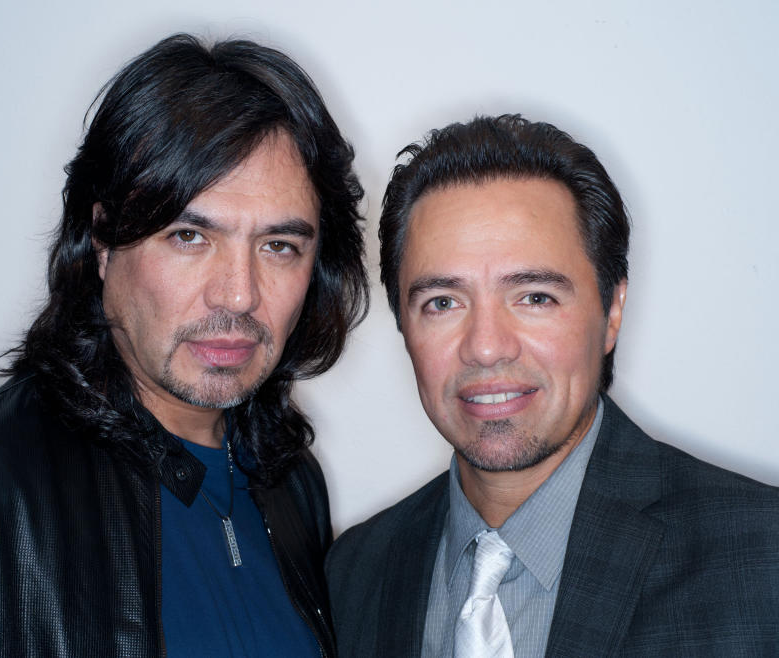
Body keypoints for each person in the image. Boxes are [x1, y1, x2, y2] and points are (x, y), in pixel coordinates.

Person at [0, 33, 368, 657]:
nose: (238, 296)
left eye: (279, 246)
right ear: (102, 239)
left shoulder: (293, 484)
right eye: (189, 236)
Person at [326, 115, 779, 657]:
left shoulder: (763, 558)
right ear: (404, 327)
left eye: (535, 297)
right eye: (442, 303)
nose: (487, 346)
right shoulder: (354, 571)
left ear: (611, 311)